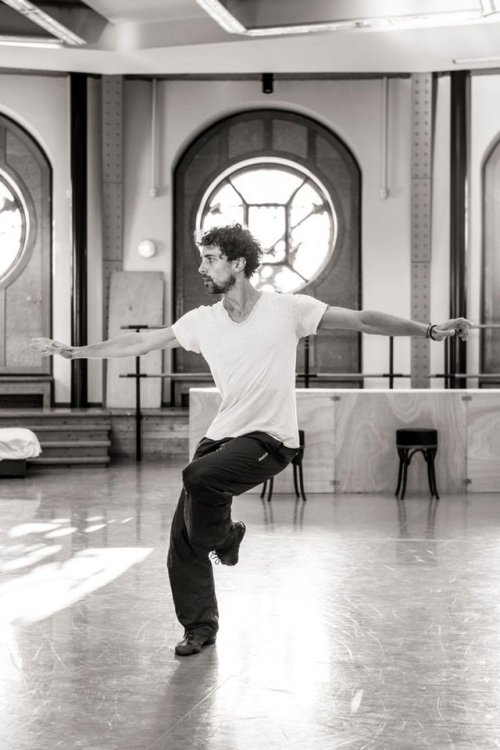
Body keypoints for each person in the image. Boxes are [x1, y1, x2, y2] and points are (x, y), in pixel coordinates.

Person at [30, 223, 472, 657]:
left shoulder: (287, 309)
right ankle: (199, 627)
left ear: (238, 263)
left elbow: (360, 320)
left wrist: (428, 330)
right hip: (221, 437)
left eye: (210, 259)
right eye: (201, 258)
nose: (202, 268)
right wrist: (75, 352)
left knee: (197, 475)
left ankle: (225, 539)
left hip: (271, 439)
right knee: (183, 540)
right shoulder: (201, 321)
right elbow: (142, 343)